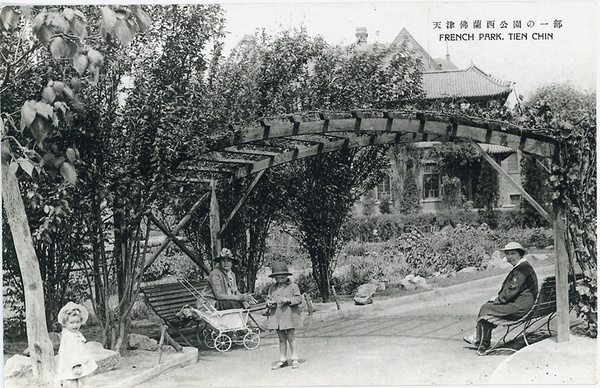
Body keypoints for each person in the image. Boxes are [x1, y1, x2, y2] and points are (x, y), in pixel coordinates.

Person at [463, 241, 538, 351]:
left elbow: (512, 289)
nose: (510, 257)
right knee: (489, 307)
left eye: (513, 254)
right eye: (508, 254)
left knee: (486, 308)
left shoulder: (521, 270)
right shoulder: (524, 266)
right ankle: (481, 340)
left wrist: (498, 299)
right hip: (524, 304)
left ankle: (480, 339)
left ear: (520, 254)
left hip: (520, 307)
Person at [266, 262, 303, 369]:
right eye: (277, 278)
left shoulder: (293, 286)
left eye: (282, 278)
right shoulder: (272, 288)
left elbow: (299, 299)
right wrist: (269, 304)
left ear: (287, 276)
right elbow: (268, 298)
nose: (280, 280)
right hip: (277, 316)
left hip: (289, 315)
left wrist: (288, 300)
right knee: (281, 338)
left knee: (291, 337)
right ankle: (283, 359)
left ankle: (295, 358)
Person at [56, 301, 98, 387]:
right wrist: (76, 365)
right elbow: (71, 352)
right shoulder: (69, 336)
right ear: (65, 323)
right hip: (75, 363)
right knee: (84, 381)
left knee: (75, 379)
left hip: (77, 361)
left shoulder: (73, 333)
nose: (75, 325)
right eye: (71, 323)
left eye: (78, 322)